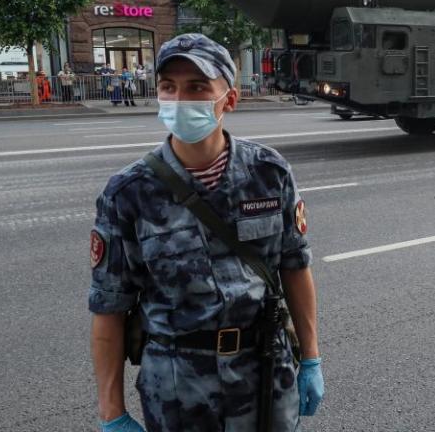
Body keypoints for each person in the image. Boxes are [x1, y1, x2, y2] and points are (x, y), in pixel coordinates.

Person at [89, 33, 323, 432]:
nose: (180, 99)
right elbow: (109, 305)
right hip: (178, 385)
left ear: (229, 100)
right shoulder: (128, 192)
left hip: (264, 370)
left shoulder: (269, 173)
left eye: (197, 87)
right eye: (169, 87)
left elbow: (294, 266)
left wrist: (312, 358)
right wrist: (112, 412)